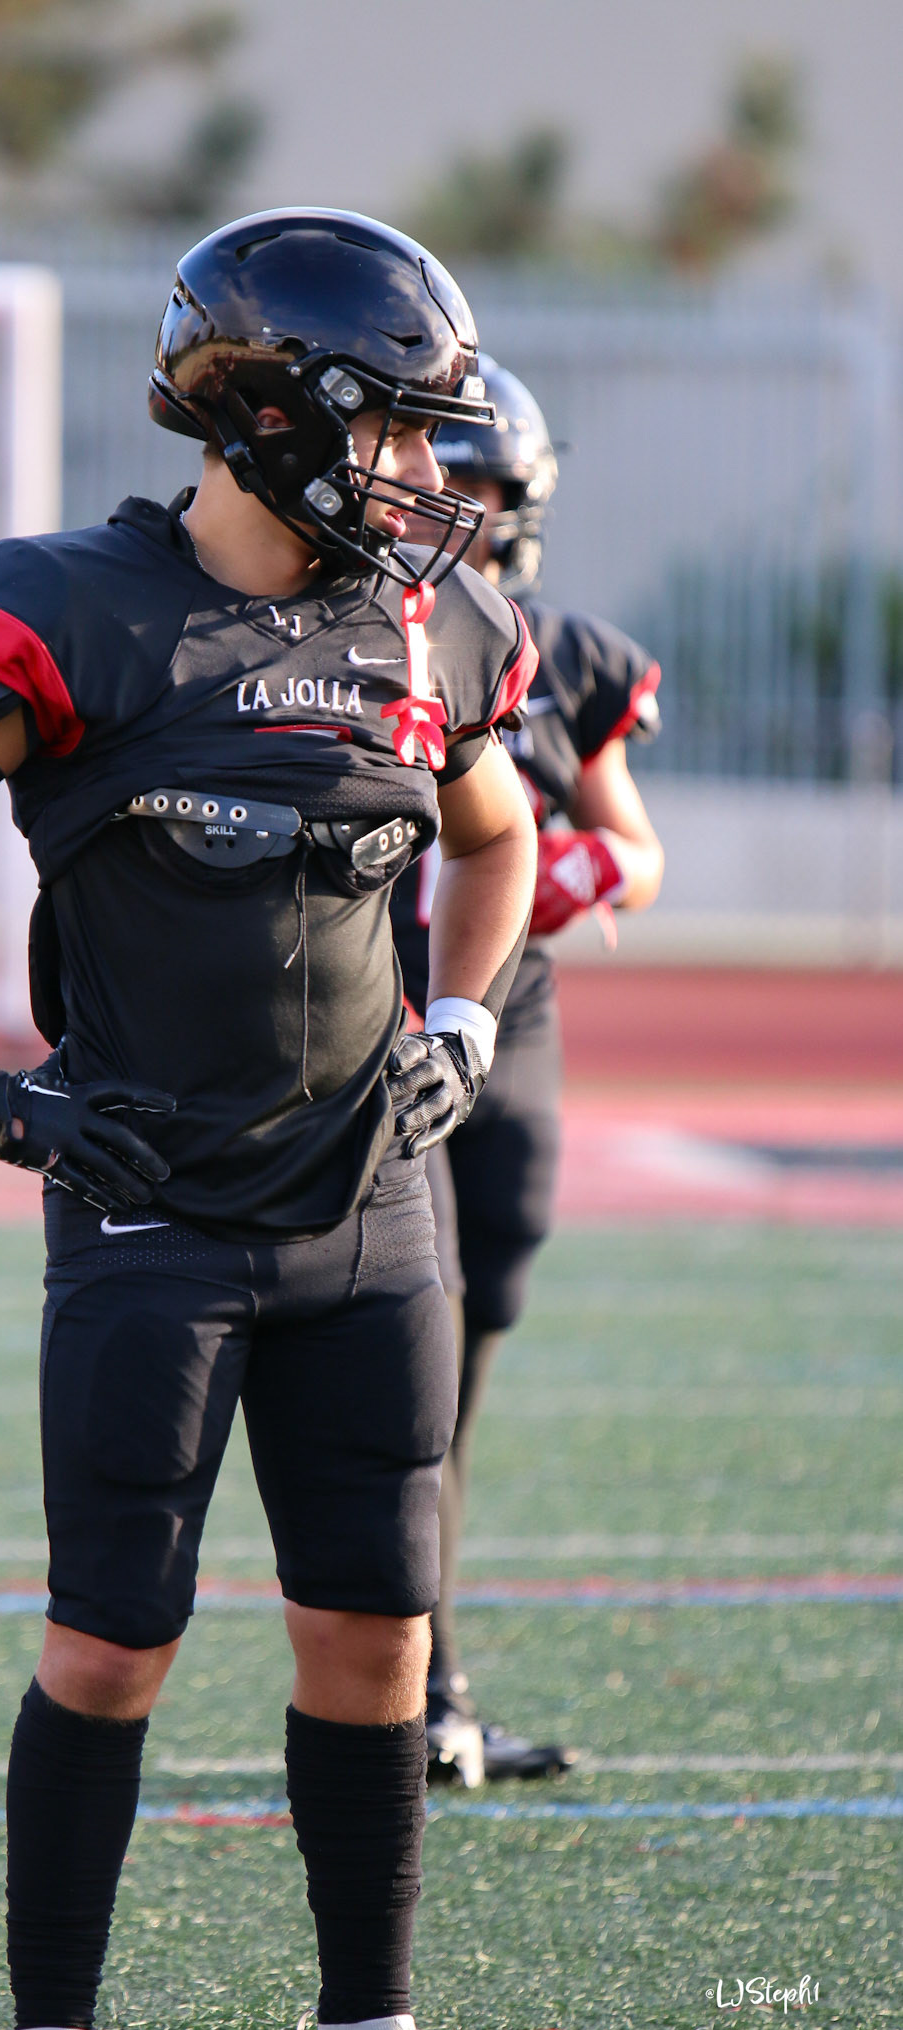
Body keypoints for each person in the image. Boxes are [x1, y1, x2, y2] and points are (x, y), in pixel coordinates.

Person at [0, 210, 539, 2030]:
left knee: (375, 1636)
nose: (423, 468)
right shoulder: (70, 605)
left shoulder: (430, 624)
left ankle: (365, 2020)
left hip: (371, 1214)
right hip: (151, 1213)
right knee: (113, 1643)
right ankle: (55, 2026)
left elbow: (497, 835)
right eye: (393, 423)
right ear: (273, 413)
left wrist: (460, 1019)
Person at [391, 357, 665, 1787]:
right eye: (440, 470)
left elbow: (634, 848)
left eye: (483, 480)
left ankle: (423, 1683)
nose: (457, 501)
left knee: (480, 1323)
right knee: (416, 1356)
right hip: (373, 1020)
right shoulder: (347, 628)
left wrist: (573, 873)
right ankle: (417, 1691)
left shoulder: (562, 653)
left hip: (512, 1018)